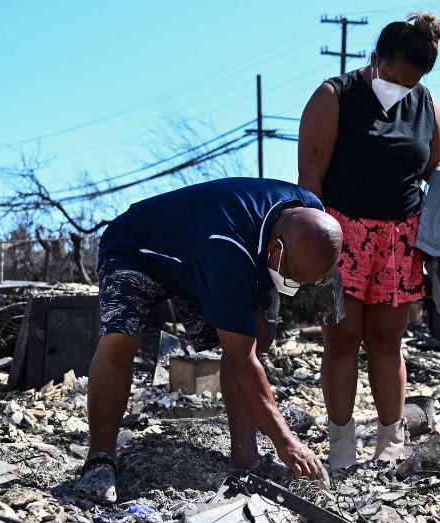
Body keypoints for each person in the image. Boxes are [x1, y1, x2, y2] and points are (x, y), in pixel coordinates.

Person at [77, 177, 343, 503]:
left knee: (257, 336)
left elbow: (248, 343)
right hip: (136, 249)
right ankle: (100, 460)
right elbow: (241, 361)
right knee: (121, 338)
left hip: (202, 253)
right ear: (276, 249)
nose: (292, 285)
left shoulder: (310, 213)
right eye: (291, 277)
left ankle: (246, 458)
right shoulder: (227, 248)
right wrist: (287, 441)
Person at [297, 12, 440, 470]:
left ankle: (390, 439)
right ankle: (341, 442)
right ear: (374, 59)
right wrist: (313, 249)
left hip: (400, 239)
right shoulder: (333, 97)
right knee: (342, 339)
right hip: (341, 234)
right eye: (395, 77)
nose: (401, 88)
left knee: (387, 340)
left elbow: (437, 175)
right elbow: (310, 178)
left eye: (411, 82)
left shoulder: (427, 105)